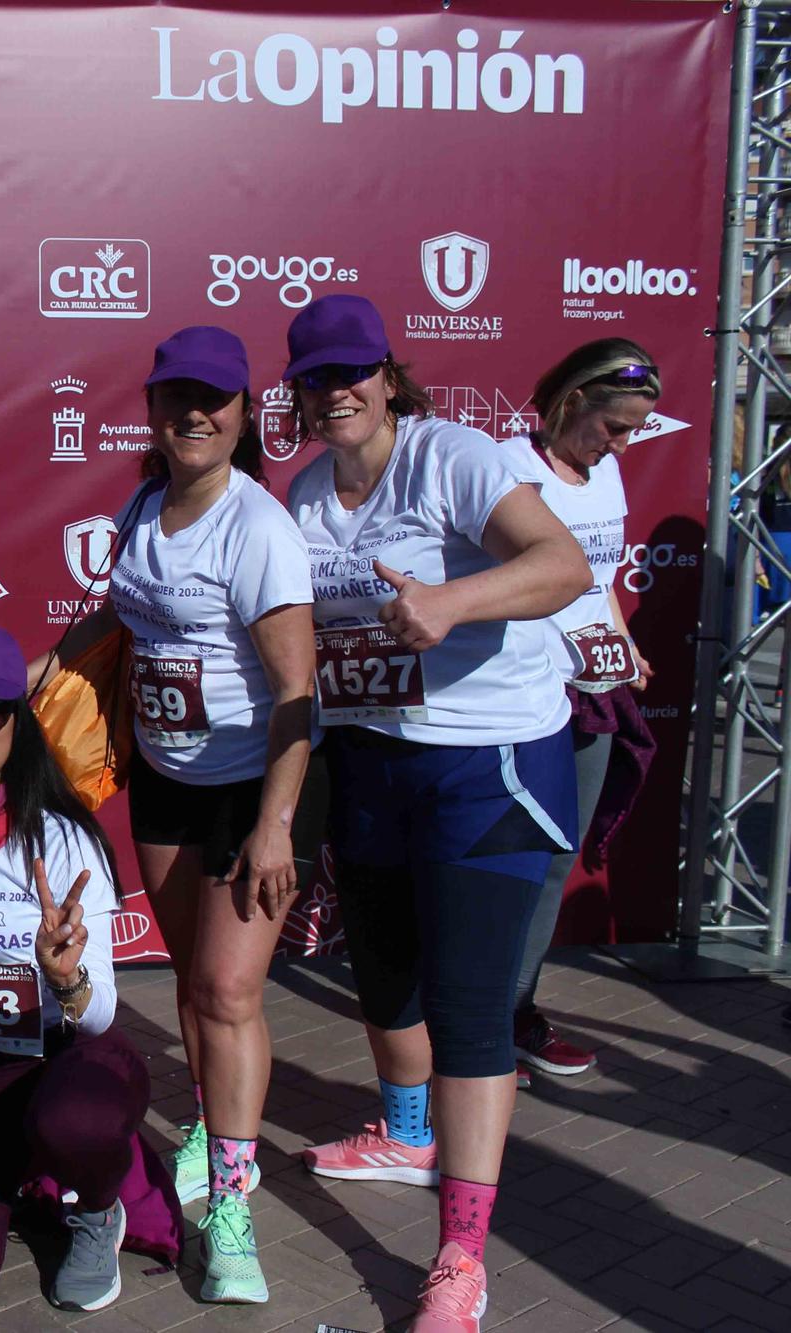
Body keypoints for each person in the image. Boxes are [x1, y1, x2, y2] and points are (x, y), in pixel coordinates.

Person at [282, 296, 590, 1333]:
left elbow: (561, 566)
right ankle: (407, 1134)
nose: (337, 393)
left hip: (485, 763)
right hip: (373, 760)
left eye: (352, 374)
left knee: (464, 1007)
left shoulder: (449, 455)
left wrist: (448, 603)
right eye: (316, 379)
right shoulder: (301, 489)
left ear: (386, 374)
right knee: (381, 978)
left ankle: (459, 1256)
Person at [32, 326, 314, 1303]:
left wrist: (276, 823)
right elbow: (120, 618)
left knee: (229, 993)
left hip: (251, 794)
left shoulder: (257, 529)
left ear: (242, 414)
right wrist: (41, 675)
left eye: (214, 400)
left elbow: (295, 695)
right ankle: (210, 1122)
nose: (193, 415)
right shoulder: (142, 506)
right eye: (175, 398)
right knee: (195, 992)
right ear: (152, 409)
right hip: (160, 782)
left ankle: (230, 1213)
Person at [0, 623, 182, 1312]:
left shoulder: (64, 835)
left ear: (18, 721)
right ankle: (23, 1174)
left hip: (69, 1058)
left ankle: (95, 1204)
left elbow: (105, 1012)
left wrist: (66, 980)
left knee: (77, 1120)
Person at [498, 341, 663, 1086]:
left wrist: (622, 646)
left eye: (633, 431)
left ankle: (516, 1012)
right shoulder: (508, 467)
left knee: (559, 854)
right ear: (571, 403)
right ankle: (476, 1022)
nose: (621, 444)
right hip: (519, 695)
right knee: (509, 858)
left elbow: (598, 582)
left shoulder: (609, 474)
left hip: (592, 693)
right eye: (614, 427)